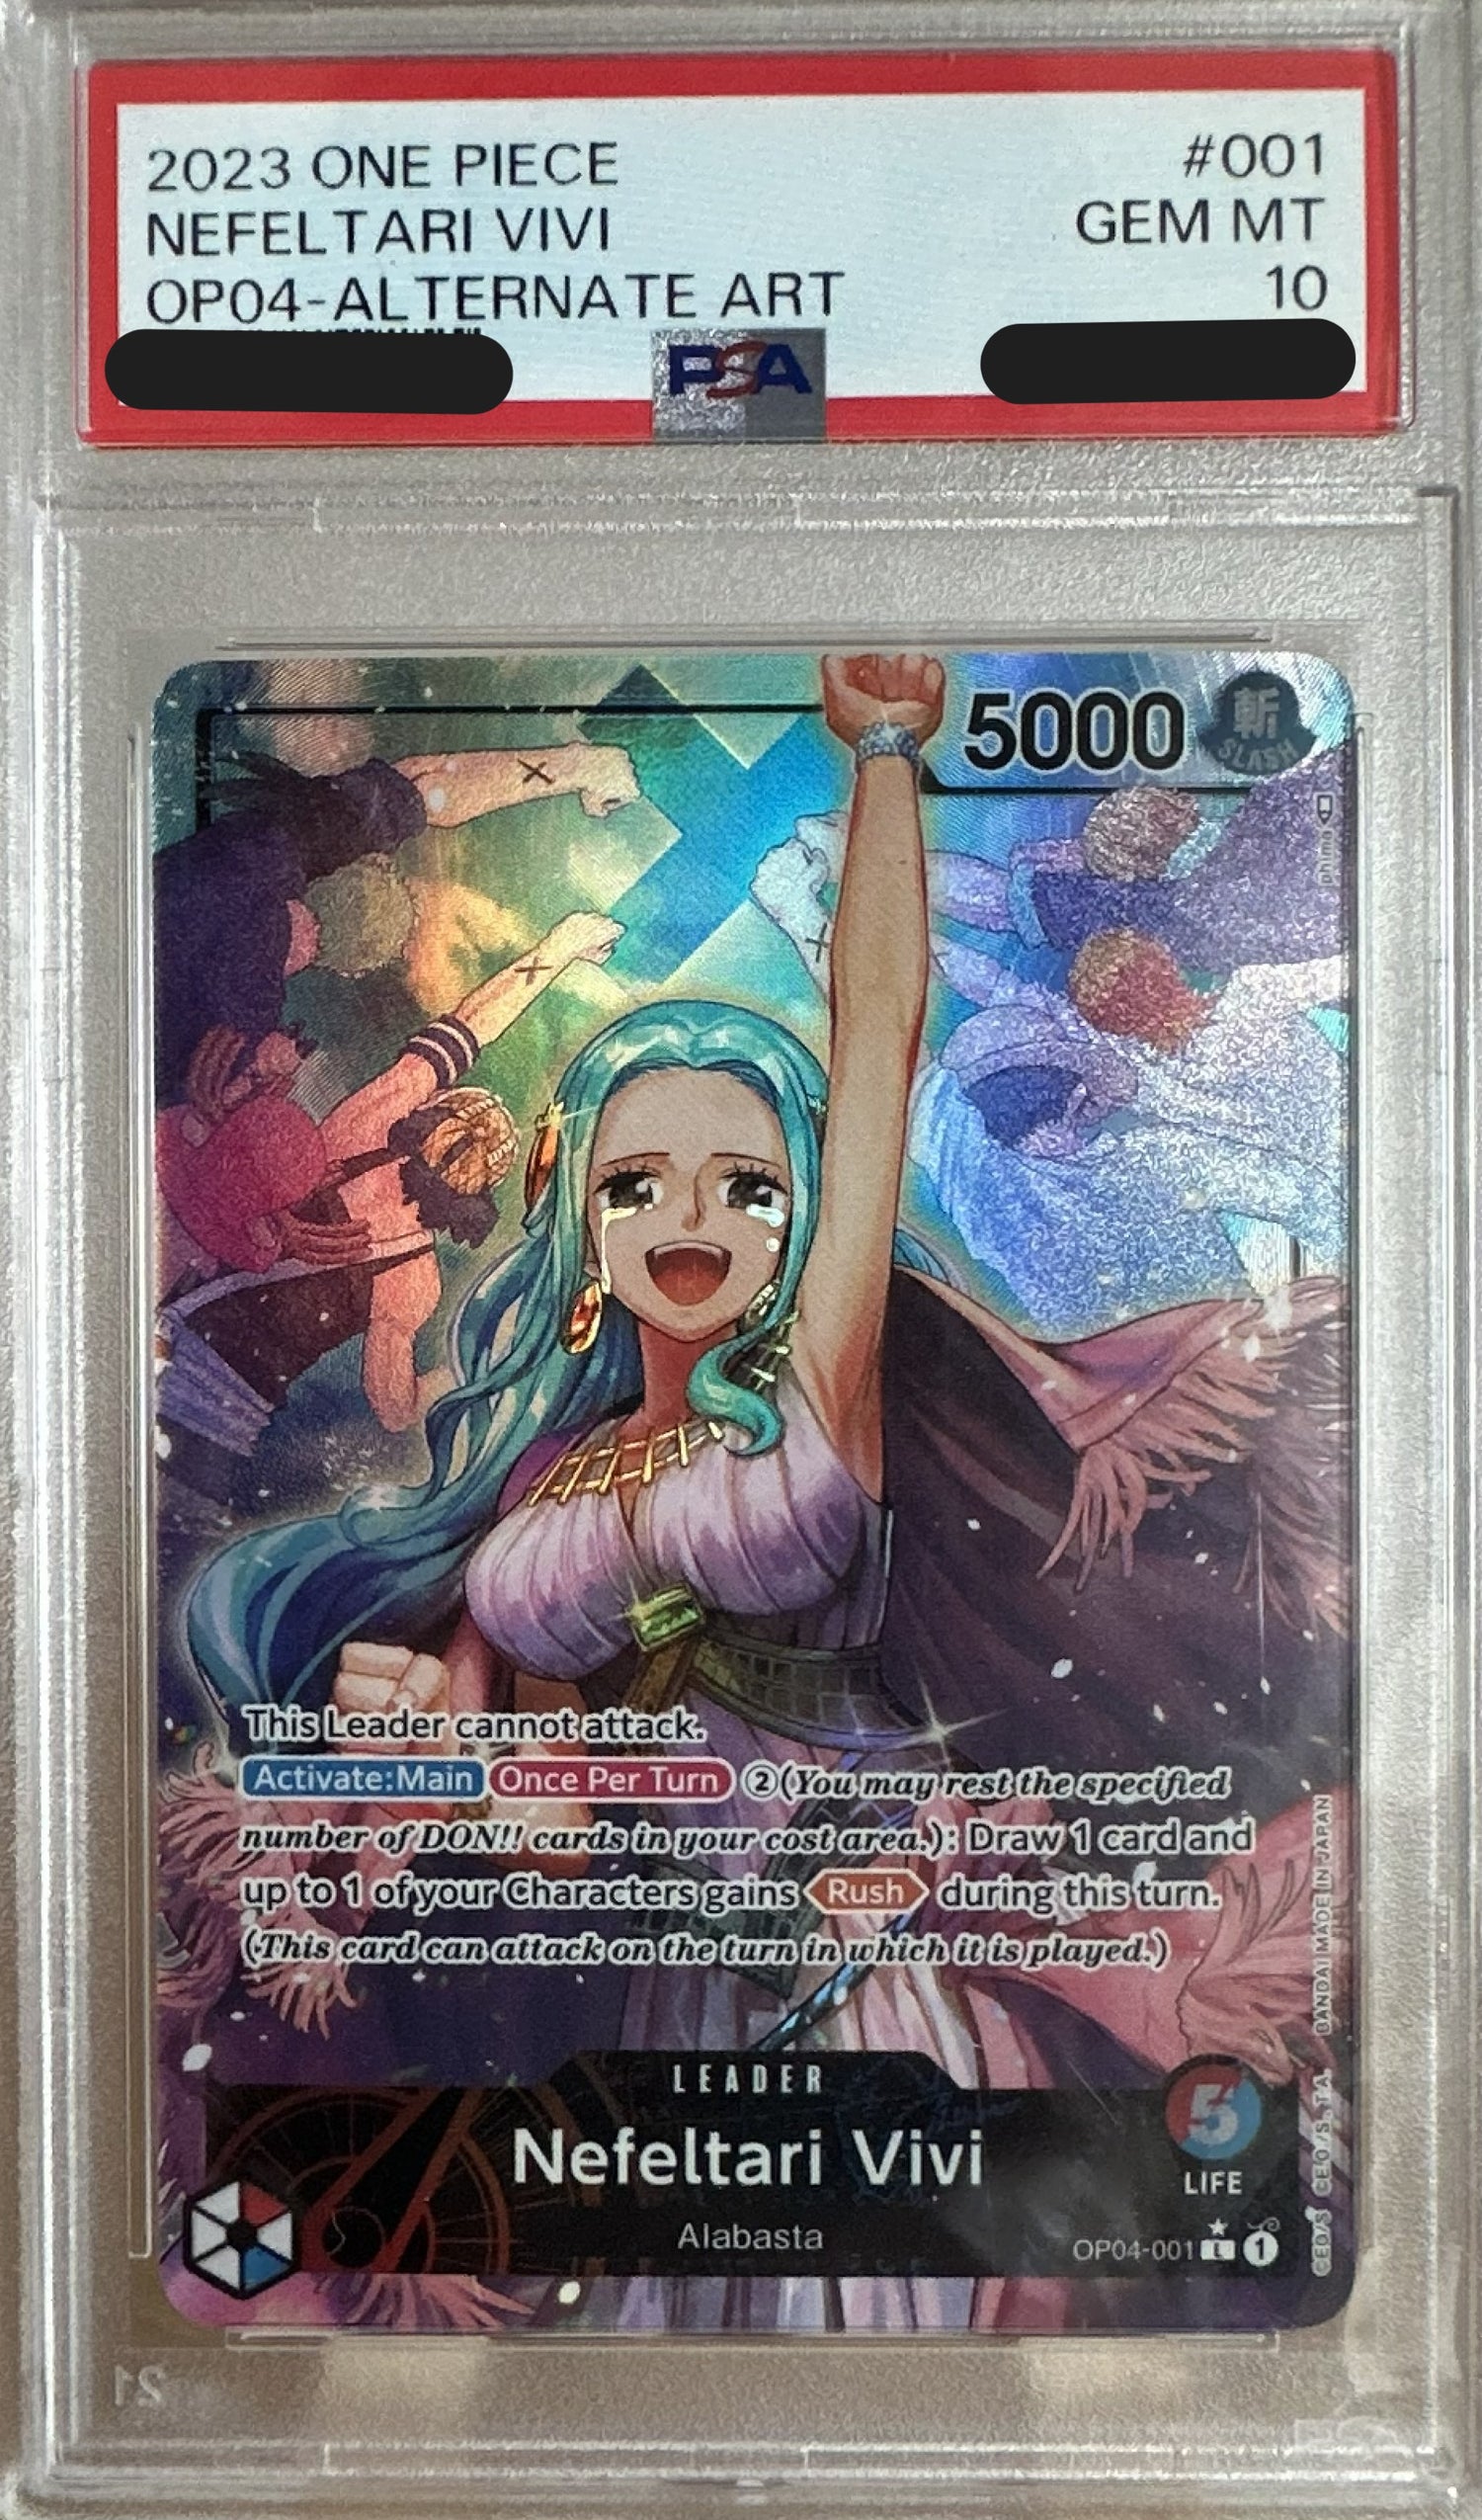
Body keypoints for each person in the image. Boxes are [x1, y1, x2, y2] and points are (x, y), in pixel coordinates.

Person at [168, 660, 1350, 2332]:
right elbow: (541, 1805)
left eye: (747, 1185)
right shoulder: (541, 1481)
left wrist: (889, 759)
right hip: (651, 2035)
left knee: (870, 2361)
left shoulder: (815, 1404)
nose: (691, 1219)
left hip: (858, 2018)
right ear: (585, 1225)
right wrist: (434, 1743)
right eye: (639, 1183)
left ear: (804, 1222)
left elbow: (876, 1038)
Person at [155, 911, 620, 1497]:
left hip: (167, 1322)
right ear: (474, 1197)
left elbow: (470, 1025)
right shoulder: (414, 1280)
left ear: (428, 1109)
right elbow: (396, 1410)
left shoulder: (366, 1126)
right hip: (214, 1428)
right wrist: (451, 1378)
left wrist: (555, 950)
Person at [155, 740, 638, 1104]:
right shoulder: (244, 1018)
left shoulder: (251, 863)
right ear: (349, 969)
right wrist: (585, 767)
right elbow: (425, 787)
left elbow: (422, 785)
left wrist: (581, 767)